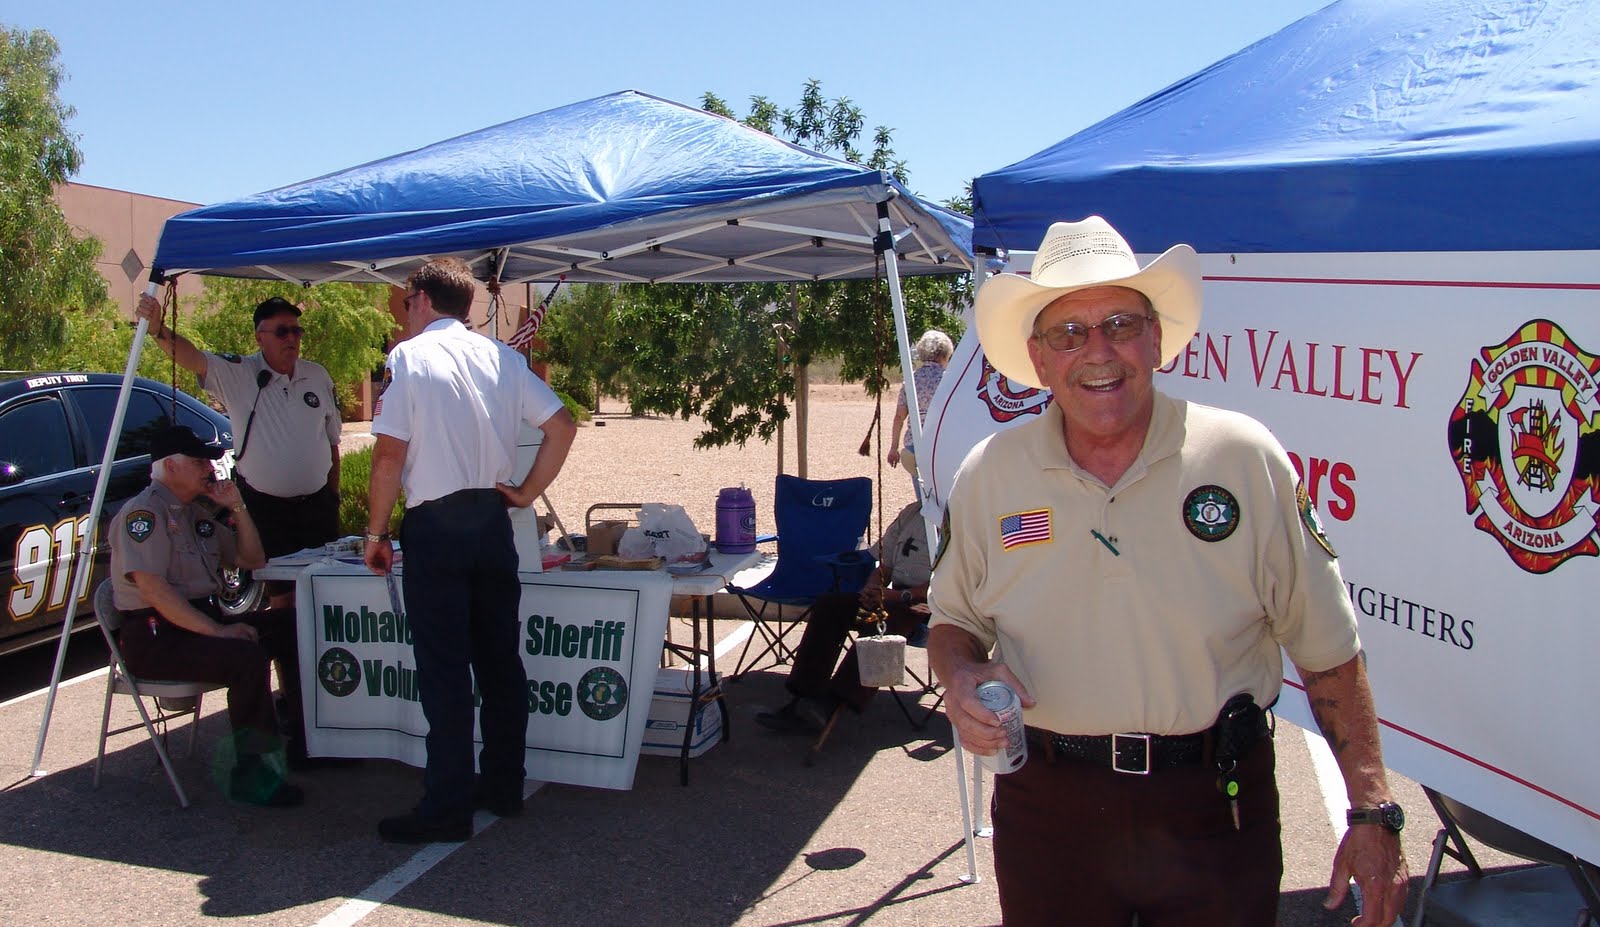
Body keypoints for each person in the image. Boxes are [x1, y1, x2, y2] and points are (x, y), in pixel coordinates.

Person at [927, 216, 1408, 926]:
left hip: (1214, 808)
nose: (1098, 351)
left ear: (1155, 338)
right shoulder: (989, 476)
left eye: (1120, 323)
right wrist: (960, 675)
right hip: (1047, 812)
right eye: (1069, 332)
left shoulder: (1244, 459)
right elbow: (954, 623)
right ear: (1038, 357)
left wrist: (1373, 809)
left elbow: (1330, 649)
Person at [363, 257, 577, 844]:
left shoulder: (410, 357)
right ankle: (504, 786)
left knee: (446, 672)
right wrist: (527, 492)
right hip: (490, 522)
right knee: (500, 662)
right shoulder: (502, 357)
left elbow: (387, 455)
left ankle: (447, 806)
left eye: (407, 303)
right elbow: (562, 425)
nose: (405, 313)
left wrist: (376, 533)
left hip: (438, 524)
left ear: (422, 301)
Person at [109, 426, 306, 807]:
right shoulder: (144, 514)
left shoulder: (194, 514)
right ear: (169, 466)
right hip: (156, 635)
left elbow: (252, 559)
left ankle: (306, 739)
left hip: (196, 624)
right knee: (246, 658)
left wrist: (237, 507)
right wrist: (217, 631)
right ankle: (254, 774)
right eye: (198, 461)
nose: (210, 467)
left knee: (291, 627)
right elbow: (154, 591)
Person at [137, 294, 342, 608]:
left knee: (327, 594)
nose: (292, 339)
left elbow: (331, 441)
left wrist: (333, 494)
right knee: (284, 599)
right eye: (282, 332)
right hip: (268, 509)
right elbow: (193, 357)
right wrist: (158, 330)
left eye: (296, 331)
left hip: (318, 508)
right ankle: (288, 658)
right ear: (260, 337)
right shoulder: (240, 373)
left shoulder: (318, 375)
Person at [755, 500, 931, 733]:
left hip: (926, 606)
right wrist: (871, 589)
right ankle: (804, 696)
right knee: (830, 607)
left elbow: (946, 583)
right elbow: (884, 567)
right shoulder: (912, 512)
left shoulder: (959, 519)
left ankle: (832, 705)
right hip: (890, 595)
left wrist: (899, 596)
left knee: (880, 626)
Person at [887, 329, 952, 499]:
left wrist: (893, 448)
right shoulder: (949, 379)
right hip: (942, 447)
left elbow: (899, 417)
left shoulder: (911, 380)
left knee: (924, 501)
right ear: (944, 354)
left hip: (914, 449)